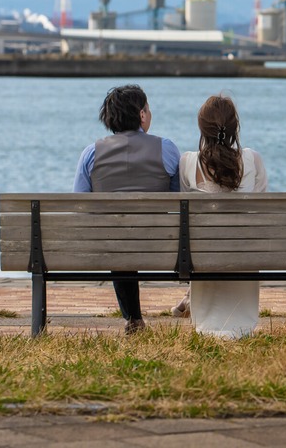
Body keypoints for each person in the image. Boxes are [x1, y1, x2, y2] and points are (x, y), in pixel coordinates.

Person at [73, 84, 180, 334]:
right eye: (148, 109)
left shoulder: (91, 153)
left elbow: (80, 206)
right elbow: (178, 198)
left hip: (112, 245)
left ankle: (133, 319)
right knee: (127, 235)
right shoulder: (168, 149)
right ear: (142, 115)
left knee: (117, 237)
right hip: (160, 243)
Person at [172, 94, 269, 339]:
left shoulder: (187, 163)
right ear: (235, 127)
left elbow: (183, 215)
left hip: (202, 255)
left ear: (202, 128)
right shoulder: (253, 160)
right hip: (244, 255)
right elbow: (259, 211)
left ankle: (190, 299)